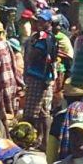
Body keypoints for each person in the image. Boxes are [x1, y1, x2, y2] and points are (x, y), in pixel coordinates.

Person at [22, 9, 57, 142]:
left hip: (37, 76)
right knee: (43, 112)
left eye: (43, 21)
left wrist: (31, 56)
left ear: (49, 22)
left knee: (30, 113)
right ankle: (44, 140)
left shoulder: (41, 37)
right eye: (39, 20)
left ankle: (26, 139)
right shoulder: (52, 37)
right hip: (46, 76)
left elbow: (35, 54)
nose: (39, 23)